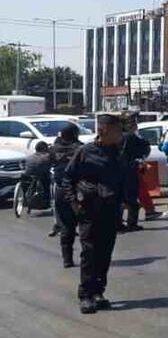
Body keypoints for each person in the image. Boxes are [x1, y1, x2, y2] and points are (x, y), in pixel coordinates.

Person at [60, 113, 127, 314]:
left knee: (105, 252)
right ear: (104, 131)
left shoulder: (117, 152)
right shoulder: (85, 151)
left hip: (110, 209)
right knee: (90, 252)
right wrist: (74, 204)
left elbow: (120, 178)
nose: (120, 135)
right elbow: (67, 179)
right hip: (88, 209)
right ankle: (86, 295)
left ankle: (98, 291)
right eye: (117, 130)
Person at [49, 124, 81, 266]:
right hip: (80, 190)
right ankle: (88, 258)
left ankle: (67, 259)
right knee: (86, 225)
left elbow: (49, 163)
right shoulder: (81, 148)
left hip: (61, 190)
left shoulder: (54, 149)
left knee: (66, 227)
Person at [119, 113, 151, 233]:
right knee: (131, 198)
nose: (135, 125)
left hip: (117, 171)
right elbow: (144, 147)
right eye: (132, 123)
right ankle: (131, 223)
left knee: (120, 198)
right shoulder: (130, 137)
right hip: (129, 170)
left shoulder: (115, 136)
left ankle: (118, 223)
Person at [23, 141, 52, 208]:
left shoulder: (29, 157)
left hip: (28, 177)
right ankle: (47, 200)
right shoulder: (46, 157)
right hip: (42, 177)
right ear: (45, 149)